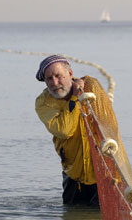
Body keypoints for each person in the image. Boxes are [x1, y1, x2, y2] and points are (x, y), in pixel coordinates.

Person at [35, 55, 111, 206]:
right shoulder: (43, 103)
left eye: (58, 76)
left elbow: (108, 124)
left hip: (104, 173)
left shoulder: (91, 86)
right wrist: (75, 99)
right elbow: (64, 130)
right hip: (74, 175)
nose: (55, 83)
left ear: (70, 74)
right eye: (49, 78)